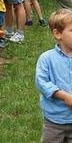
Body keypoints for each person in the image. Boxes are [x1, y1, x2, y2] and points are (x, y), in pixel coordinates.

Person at [36, 9, 72, 142]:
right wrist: (65, 96)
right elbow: (42, 83)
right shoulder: (47, 58)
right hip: (54, 122)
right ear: (57, 33)